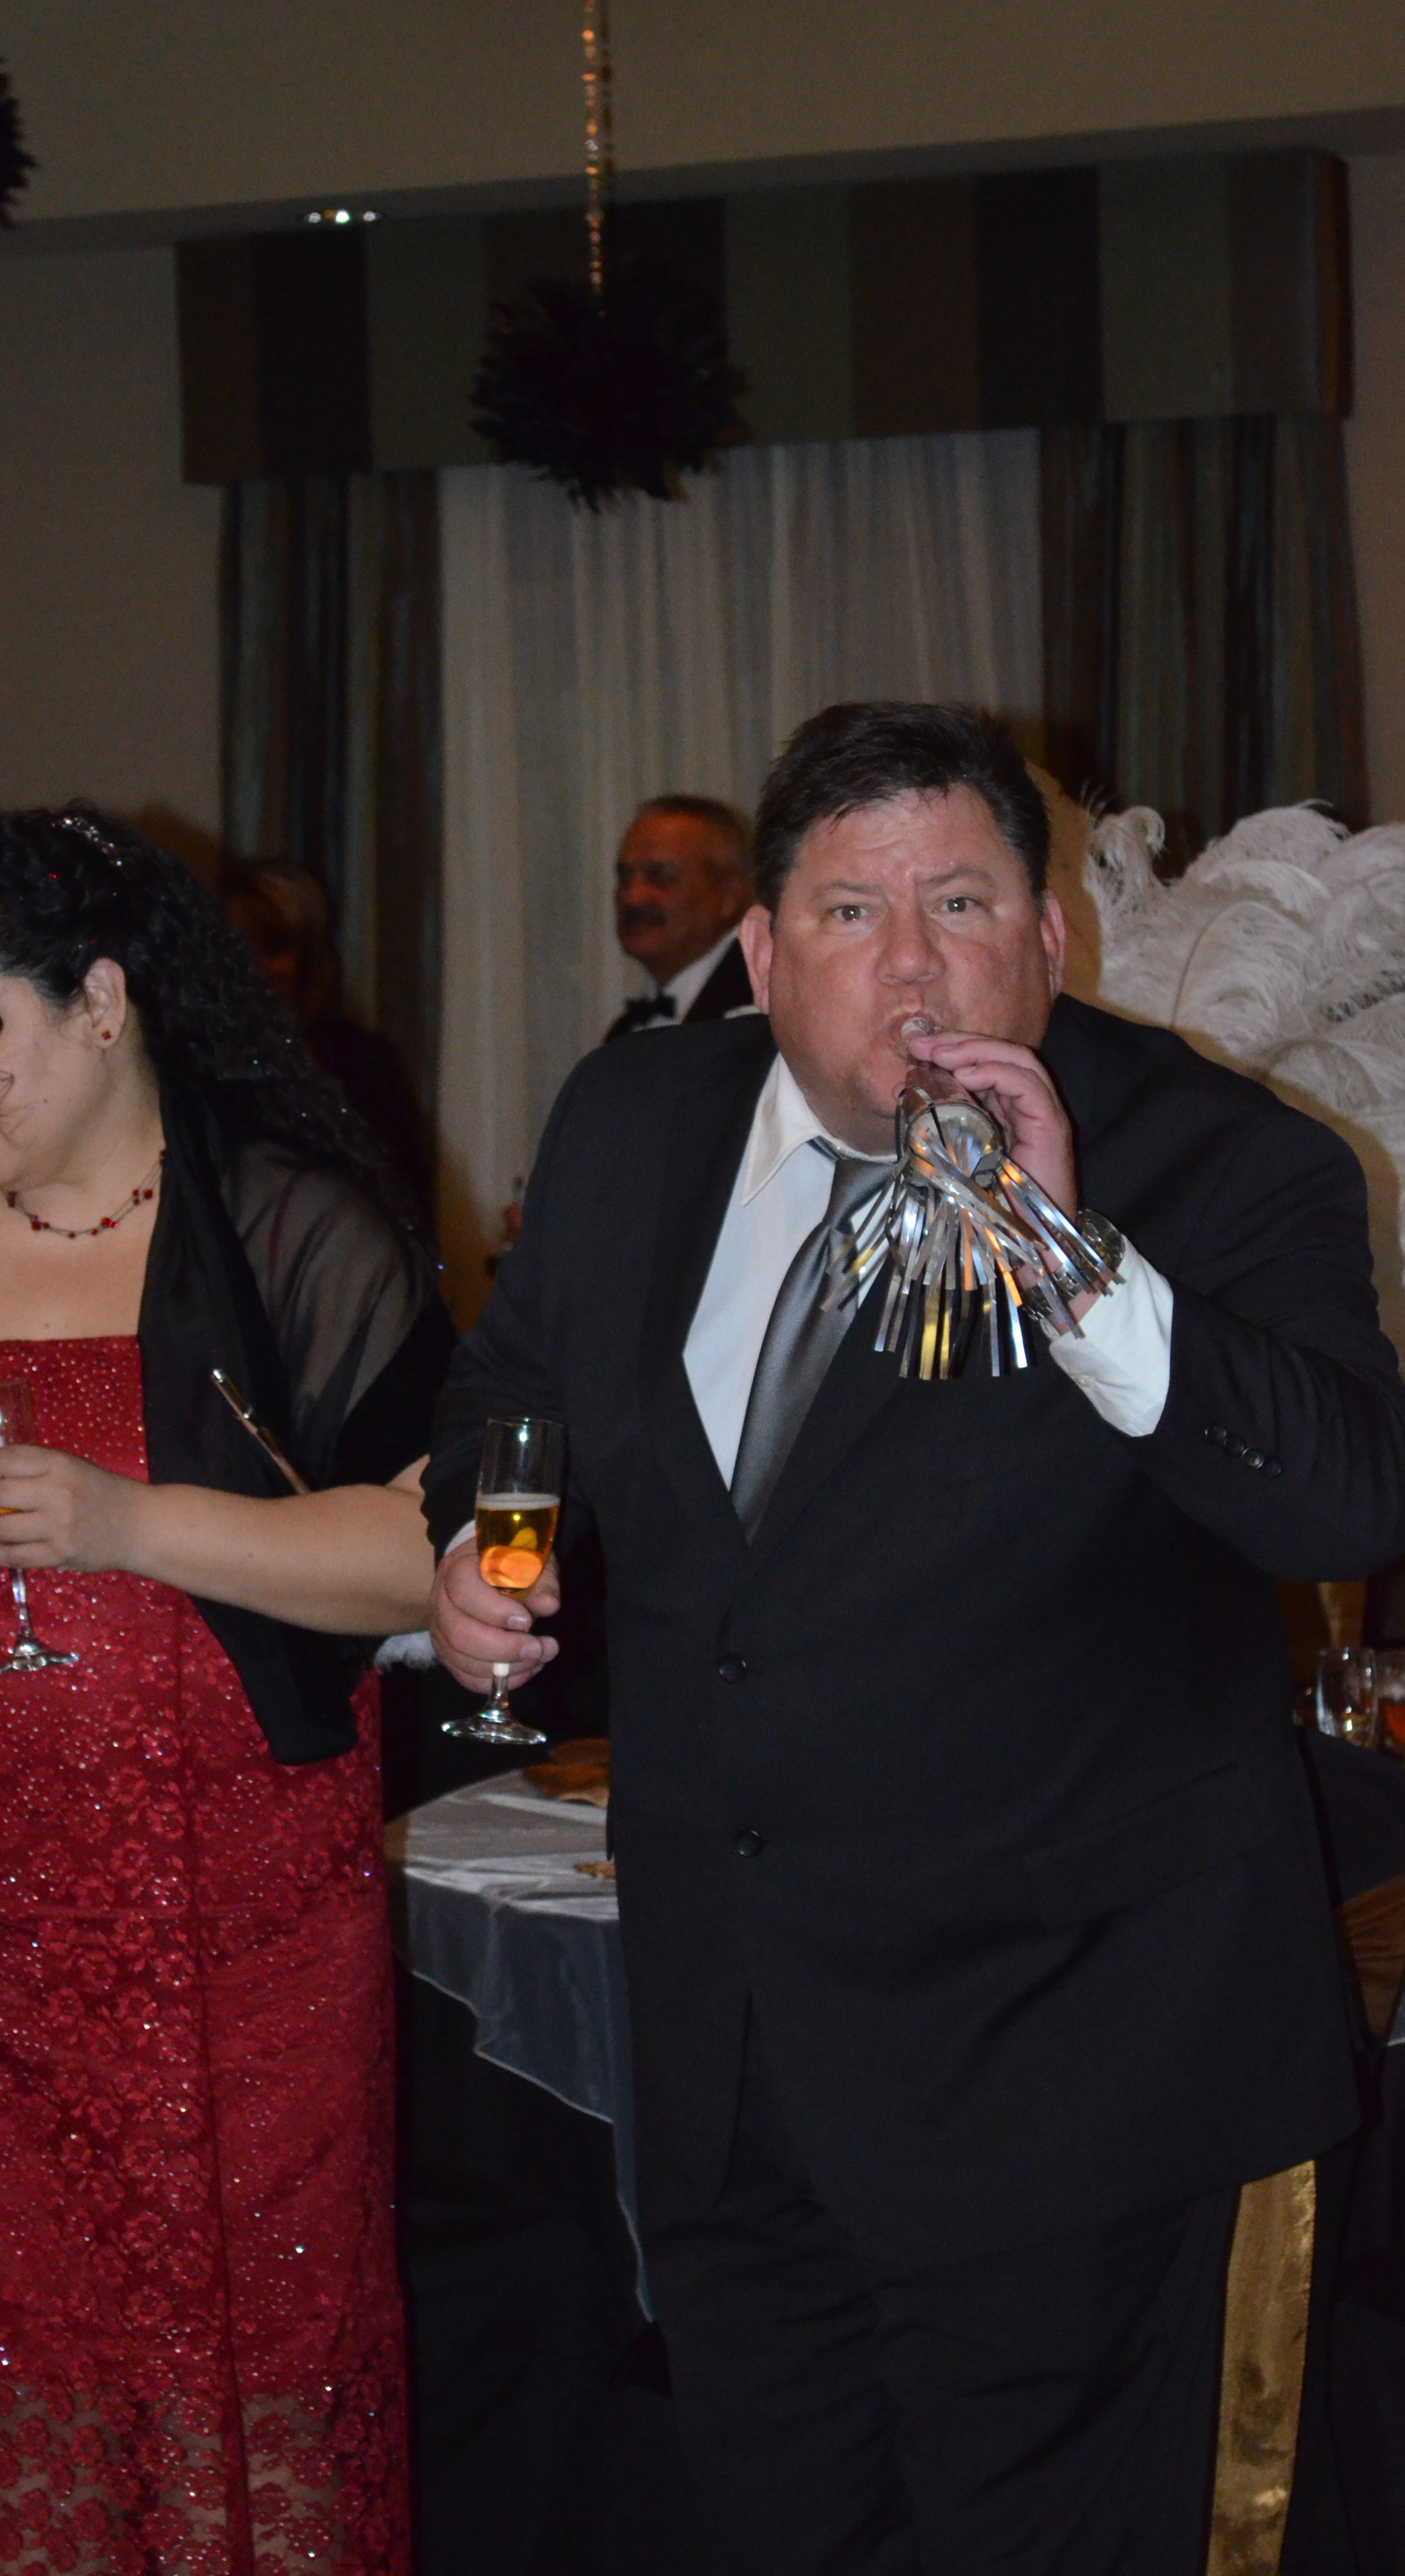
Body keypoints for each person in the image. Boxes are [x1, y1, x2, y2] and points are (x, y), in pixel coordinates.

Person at [424, 703, 1405, 2573]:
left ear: (1049, 934)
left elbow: (1348, 1501)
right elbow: (508, 1398)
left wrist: (1068, 1253)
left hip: (1075, 2087)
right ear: (760, 950)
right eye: (851, 912)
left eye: (959, 903)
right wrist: (477, 1549)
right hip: (731, 2072)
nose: (911, 966)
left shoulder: (1215, 1158)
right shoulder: (634, 1124)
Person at [0, 802, 450, 2576]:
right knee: (3, 2388)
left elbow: (437, 1555)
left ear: (104, 1002)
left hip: (246, 1952)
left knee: (245, 2392)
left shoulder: (286, 1226)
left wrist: (137, 1524)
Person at [222, 857, 436, 1226]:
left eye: (272, 947)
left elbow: (404, 1206)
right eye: (238, 947)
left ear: (307, 960)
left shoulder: (360, 1065)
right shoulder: (183, 1062)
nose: (254, 966)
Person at [605, 794, 755, 1041]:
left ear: (729, 894)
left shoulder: (761, 1011)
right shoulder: (624, 1030)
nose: (633, 897)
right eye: (625, 877)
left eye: (661, 876)